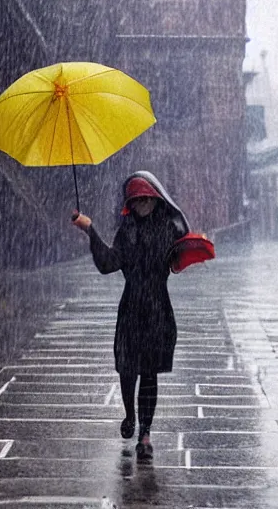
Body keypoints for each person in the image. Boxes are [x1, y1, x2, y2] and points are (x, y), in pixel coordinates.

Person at [72, 170, 190, 460]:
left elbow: (183, 246)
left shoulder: (169, 228)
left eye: (145, 199)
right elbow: (108, 263)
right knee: (127, 370)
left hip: (157, 309)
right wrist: (90, 230)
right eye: (135, 201)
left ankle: (145, 433)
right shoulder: (127, 230)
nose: (140, 205)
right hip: (131, 309)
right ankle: (129, 415)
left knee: (149, 374)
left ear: (155, 198)